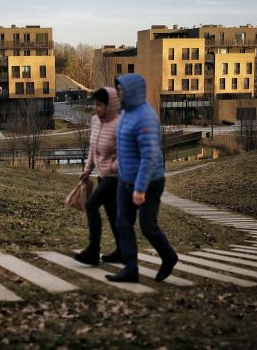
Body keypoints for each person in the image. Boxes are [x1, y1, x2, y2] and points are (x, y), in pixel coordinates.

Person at [105, 73, 178, 283]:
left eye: (121, 90)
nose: (118, 93)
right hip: (125, 180)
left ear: (132, 91)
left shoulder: (146, 117)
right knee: (122, 224)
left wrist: (140, 188)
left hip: (149, 182)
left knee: (147, 226)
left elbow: (150, 156)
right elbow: (126, 147)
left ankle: (169, 256)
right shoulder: (127, 113)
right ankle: (130, 269)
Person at [73, 87, 122, 265]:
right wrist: (87, 169)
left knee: (92, 205)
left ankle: (93, 251)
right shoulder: (95, 120)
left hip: (116, 178)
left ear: (110, 106)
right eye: (95, 104)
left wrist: (112, 167)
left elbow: (126, 153)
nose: (96, 108)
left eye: (100, 105)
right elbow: (93, 148)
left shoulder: (119, 124)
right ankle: (122, 251)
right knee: (112, 213)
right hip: (102, 175)